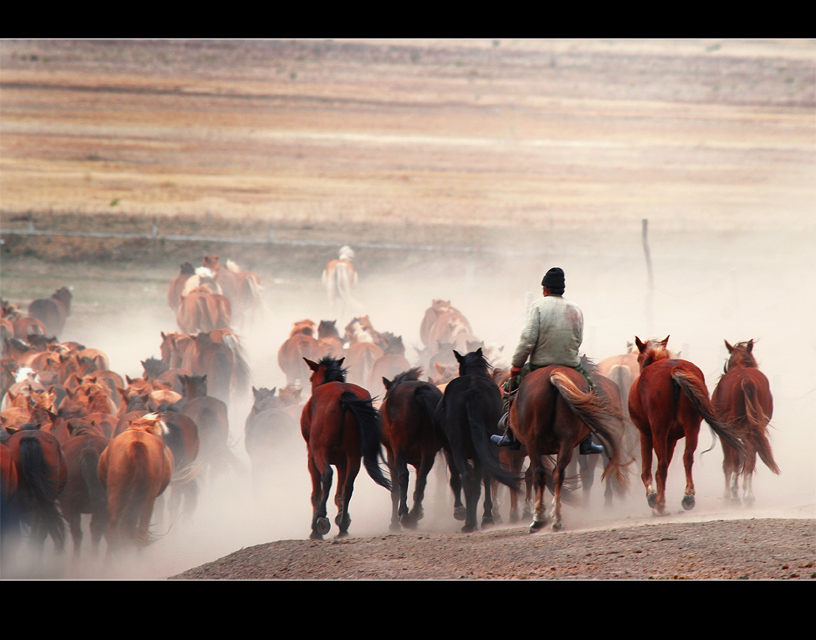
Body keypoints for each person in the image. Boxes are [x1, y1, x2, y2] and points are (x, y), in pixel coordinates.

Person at [491, 267, 604, 454]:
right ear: (562, 289)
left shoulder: (537, 306)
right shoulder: (575, 309)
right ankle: (587, 439)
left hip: (539, 364)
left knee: (510, 389)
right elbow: (578, 339)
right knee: (591, 391)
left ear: (545, 289)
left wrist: (517, 366)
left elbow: (527, 340)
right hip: (571, 363)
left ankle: (509, 434)